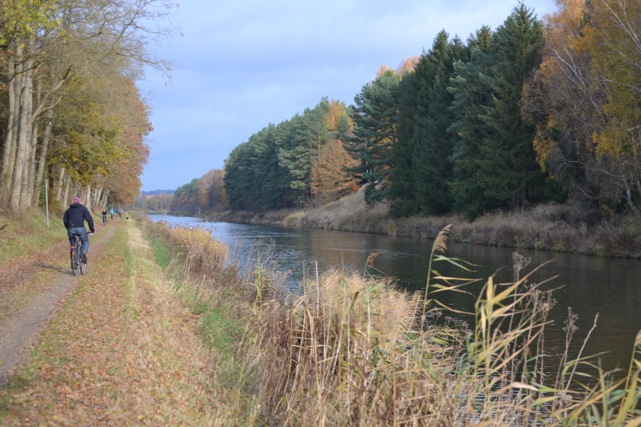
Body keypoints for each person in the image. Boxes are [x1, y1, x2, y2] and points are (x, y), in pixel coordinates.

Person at [63, 196, 95, 263]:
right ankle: (83, 252)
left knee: (72, 245)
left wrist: (68, 228)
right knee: (85, 241)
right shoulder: (83, 209)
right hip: (80, 228)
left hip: (70, 229)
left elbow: (65, 220)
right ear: (80, 202)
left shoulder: (68, 210)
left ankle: (73, 260)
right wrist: (92, 229)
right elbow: (89, 219)